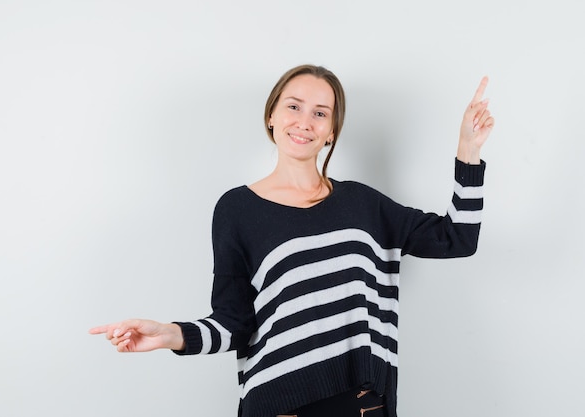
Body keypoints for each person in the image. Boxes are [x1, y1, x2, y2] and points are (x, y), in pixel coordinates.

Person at [89, 64, 494, 417]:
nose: (305, 122)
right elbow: (234, 323)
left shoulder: (363, 205)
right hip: (278, 406)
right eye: (294, 106)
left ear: (331, 131)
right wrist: (169, 334)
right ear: (271, 116)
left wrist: (468, 150)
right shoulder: (236, 209)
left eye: (320, 113)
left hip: (361, 404)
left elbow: (457, 238)